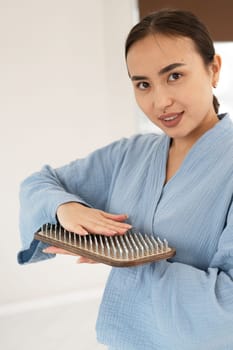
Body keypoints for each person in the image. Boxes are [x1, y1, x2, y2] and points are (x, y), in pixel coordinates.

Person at [18, 8, 233, 350]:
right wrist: (66, 208)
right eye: (143, 84)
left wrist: (128, 261)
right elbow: (38, 183)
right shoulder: (130, 155)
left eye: (174, 76)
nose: (160, 101)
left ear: (214, 69)